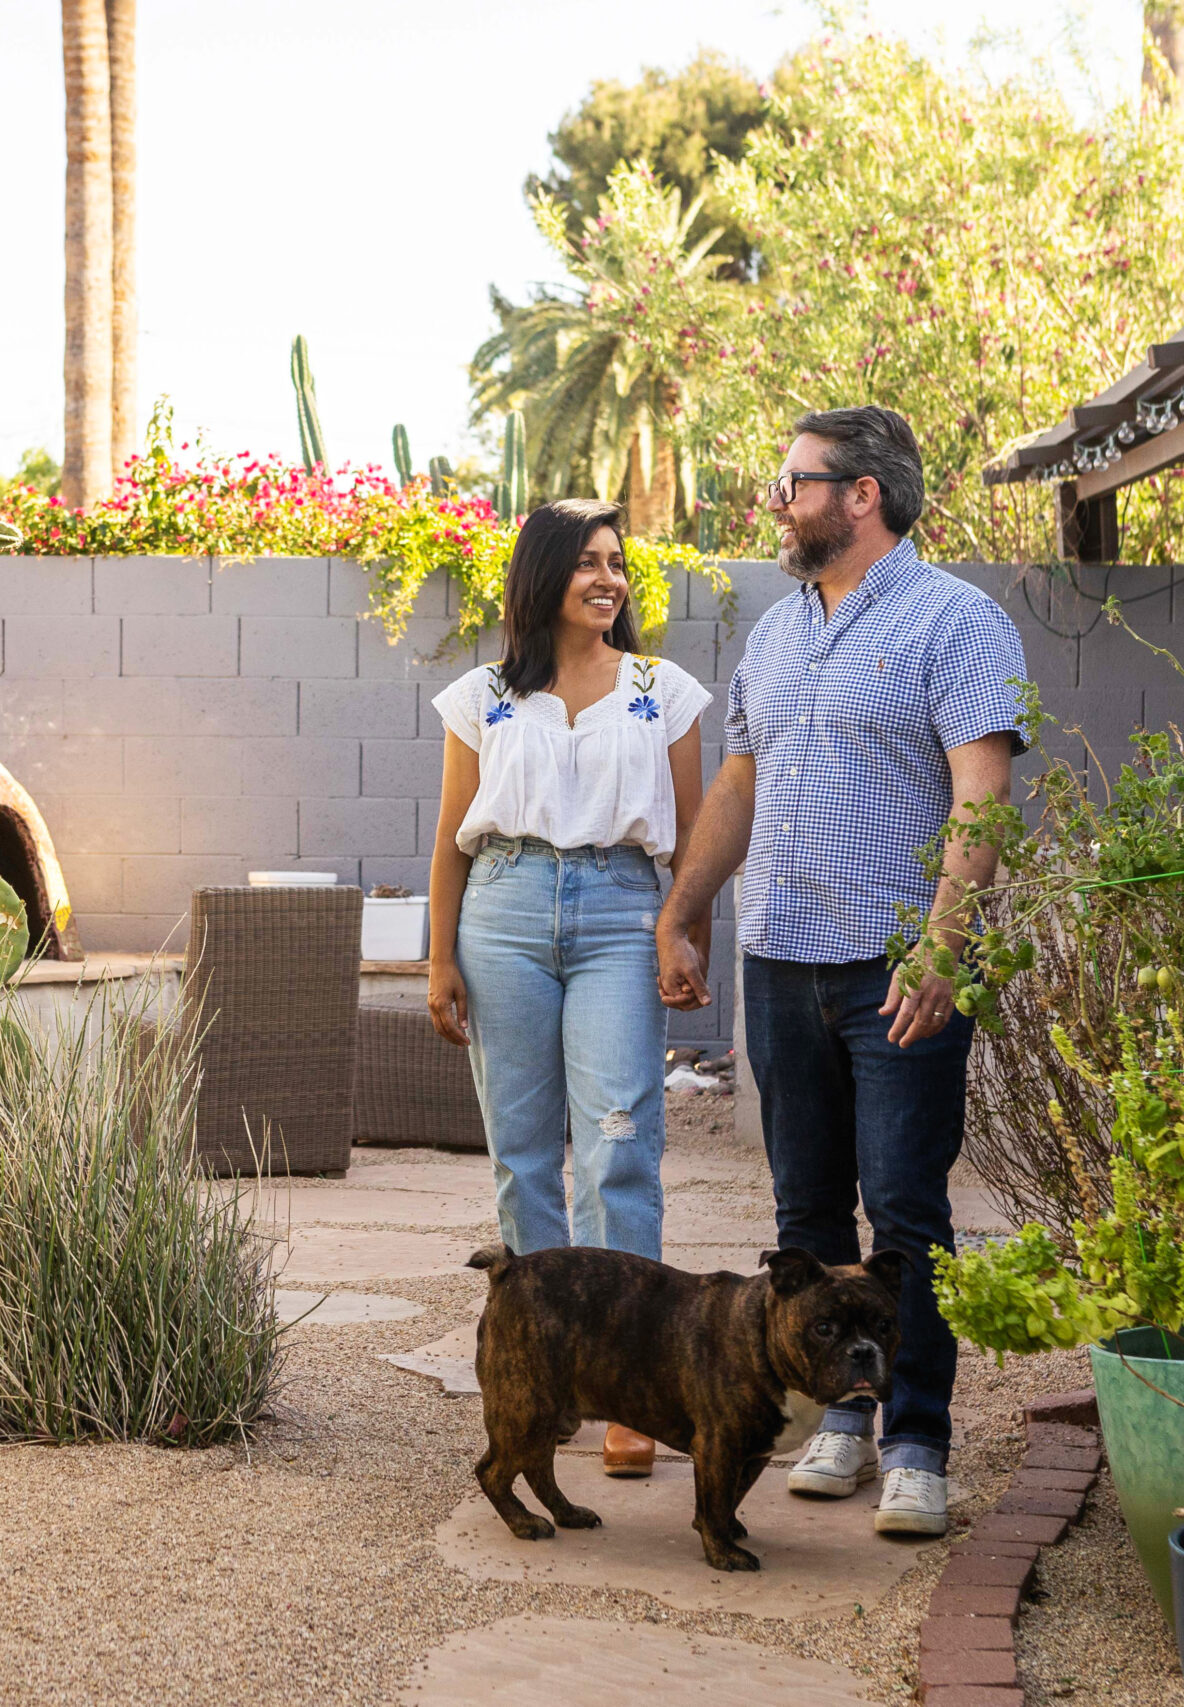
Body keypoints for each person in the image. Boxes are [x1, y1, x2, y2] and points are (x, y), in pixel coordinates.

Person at [656, 406, 1026, 1538]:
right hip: (779, 961)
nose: (778, 501)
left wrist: (944, 942)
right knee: (804, 1222)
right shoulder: (772, 634)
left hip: (894, 968)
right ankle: (840, 1422)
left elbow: (981, 795)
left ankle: (917, 1439)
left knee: (905, 1213)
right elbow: (736, 790)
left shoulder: (956, 623)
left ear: (860, 495)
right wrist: (686, 908)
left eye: (794, 482)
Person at [427, 497, 711, 1481]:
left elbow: (691, 832)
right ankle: (546, 1379)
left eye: (616, 563)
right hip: (500, 910)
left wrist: (687, 937)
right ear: (544, 577)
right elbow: (449, 837)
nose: (607, 579)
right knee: (521, 1158)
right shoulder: (483, 698)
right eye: (588, 562)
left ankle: (634, 1388)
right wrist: (438, 957)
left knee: (618, 1146)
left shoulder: (660, 691)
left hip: (620, 913)